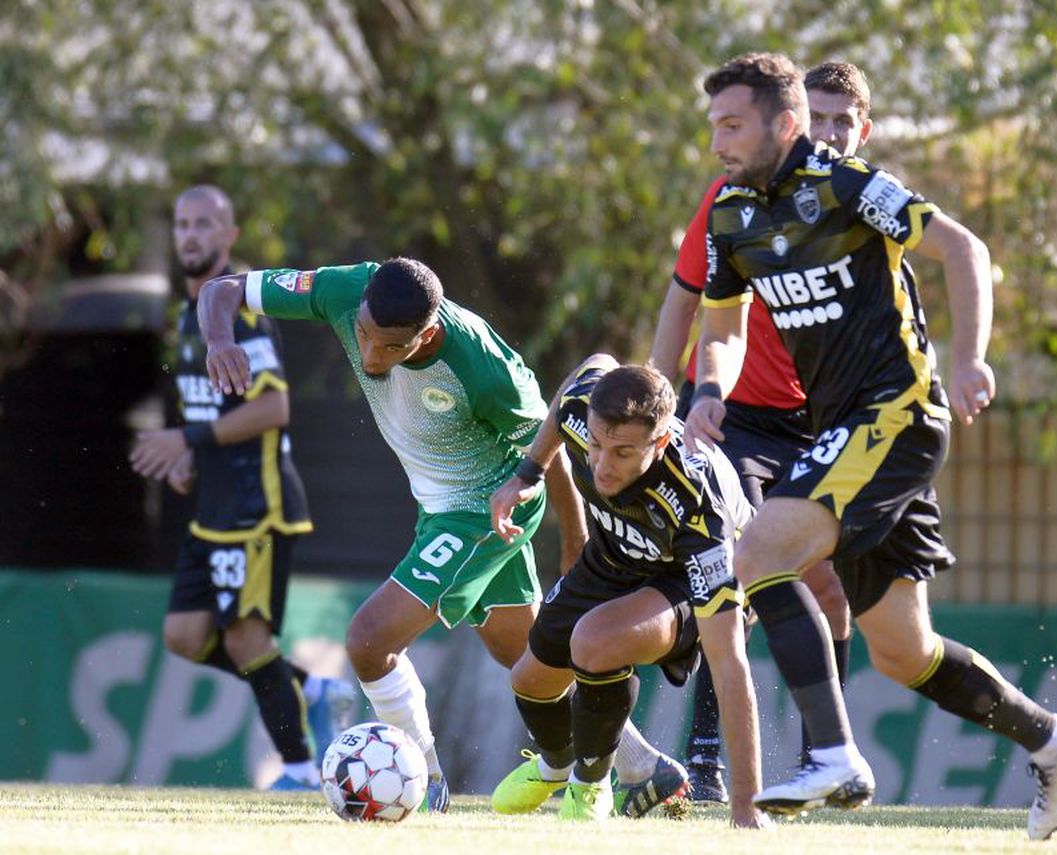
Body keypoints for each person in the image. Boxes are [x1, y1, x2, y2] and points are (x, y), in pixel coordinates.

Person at [687, 53, 1057, 841]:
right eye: (714, 127)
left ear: (783, 123)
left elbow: (966, 250)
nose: (718, 143)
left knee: (758, 552)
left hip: (896, 413)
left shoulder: (848, 187)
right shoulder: (731, 215)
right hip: (843, 433)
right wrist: (710, 387)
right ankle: (1052, 737)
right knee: (906, 653)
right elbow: (723, 329)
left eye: (732, 125)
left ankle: (833, 754)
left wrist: (971, 358)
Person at [199, 256, 677, 813]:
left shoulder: (484, 369)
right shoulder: (345, 291)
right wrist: (220, 342)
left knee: (369, 642)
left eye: (390, 347)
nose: (371, 357)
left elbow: (557, 442)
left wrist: (575, 539)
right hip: (437, 508)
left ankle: (425, 784)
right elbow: (222, 290)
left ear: (426, 335)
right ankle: (644, 767)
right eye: (363, 335)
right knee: (524, 656)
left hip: (486, 509)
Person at [649, 61, 877, 804]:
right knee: (740, 566)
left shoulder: (866, 207)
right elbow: (687, 304)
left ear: (864, 131)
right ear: (793, 122)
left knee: (832, 590)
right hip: (733, 417)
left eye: (845, 121)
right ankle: (704, 754)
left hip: (825, 423)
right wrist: (661, 401)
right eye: (820, 117)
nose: (831, 132)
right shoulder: (734, 201)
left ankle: (827, 759)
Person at [130, 185, 355, 791]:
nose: (190, 235)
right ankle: (315, 690)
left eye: (204, 224)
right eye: (182, 224)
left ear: (229, 235)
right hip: (213, 506)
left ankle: (299, 771)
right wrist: (189, 457)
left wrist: (188, 440)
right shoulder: (186, 319)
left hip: (258, 505)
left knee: (246, 639)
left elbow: (274, 408)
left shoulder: (240, 311)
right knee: (183, 636)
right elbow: (209, 410)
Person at [488, 357, 764, 827]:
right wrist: (528, 473)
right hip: (614, 554)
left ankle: (590, 787)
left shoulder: (697, 502)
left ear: (660, 442)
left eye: (622, 453)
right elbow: (589, 371)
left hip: (686, 576)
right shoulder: (584, 412)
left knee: (594, 642)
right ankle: (560, 765)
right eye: (596, 446)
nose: (601, 465)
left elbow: (730, 663)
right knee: (530, 682)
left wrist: (746, 807)